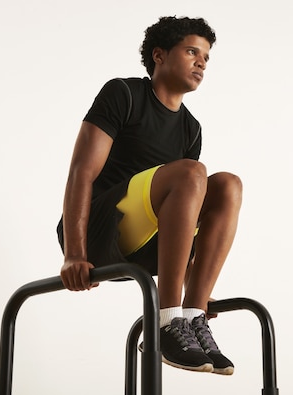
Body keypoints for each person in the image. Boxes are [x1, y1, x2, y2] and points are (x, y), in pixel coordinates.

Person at [57, 16, 242, 375]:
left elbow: (182, 214)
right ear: (159, 55)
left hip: (148, 246)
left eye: (206, 56)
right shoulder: (123, 94)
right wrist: (74, 253)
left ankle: (191, 313)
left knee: (228, 185)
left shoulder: (190, 128)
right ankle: (167, 320)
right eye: (192, 51)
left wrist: (195, 285)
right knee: (192, 172)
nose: (201, 62)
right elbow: (82, 171)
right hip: (98, 230)